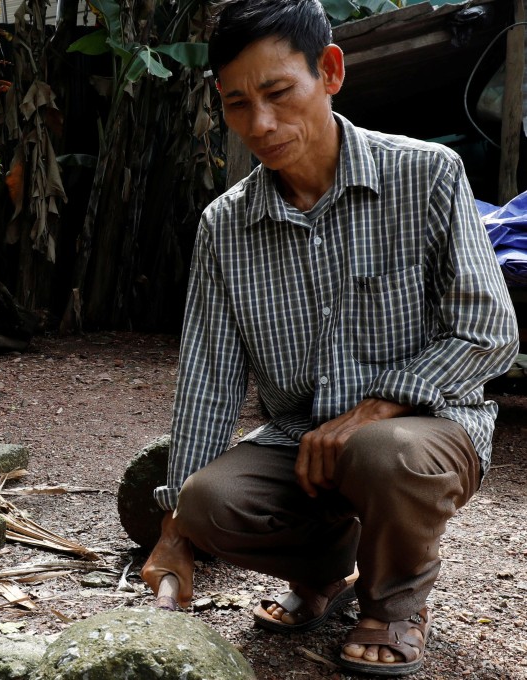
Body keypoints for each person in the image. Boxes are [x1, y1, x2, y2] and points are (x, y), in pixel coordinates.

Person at [140, 0, 520, 675]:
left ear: (331, 72)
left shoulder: (426, 175)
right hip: (300, 446)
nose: (260, 124)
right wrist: (176, 529)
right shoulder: (224, 227)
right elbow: (208, 378)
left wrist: (375, 407)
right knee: (207, 501)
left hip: (427, 431)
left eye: (279, 93)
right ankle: (323, 577)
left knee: (384, 451)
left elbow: (488, 330)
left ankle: (393, 608)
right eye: (236, 104)